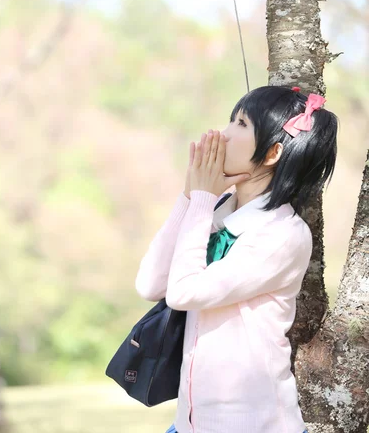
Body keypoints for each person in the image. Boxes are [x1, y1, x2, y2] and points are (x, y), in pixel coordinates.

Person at [135, 85, 338, 433]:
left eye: (240, 124)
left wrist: (200, 198)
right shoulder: (214, 212)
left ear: (272, 153)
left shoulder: (282, 235)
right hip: (188, 424)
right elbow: (151, 284)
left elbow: (184, 294)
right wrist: (190, 196)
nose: (221, 135)